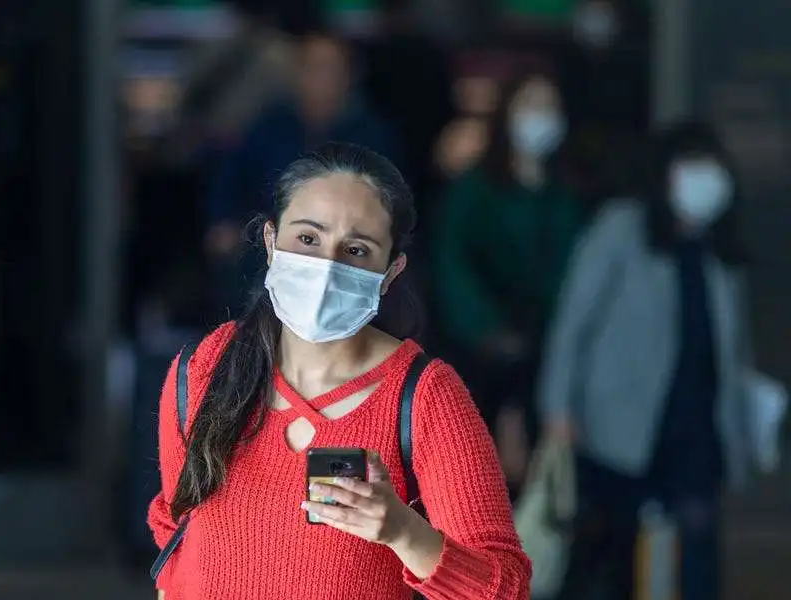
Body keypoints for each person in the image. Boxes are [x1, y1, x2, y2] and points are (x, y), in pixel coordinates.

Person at [148, 143, 532, 600]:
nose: (326, 267)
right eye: (307, 239)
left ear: (390, 273)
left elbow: (505, 587)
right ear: (271, 242)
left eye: (356, 250)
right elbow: (175, 537)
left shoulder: (425, 398)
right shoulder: (204, 370)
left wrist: (404, 532)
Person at [538, 122, 751, 600]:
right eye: (690, 165)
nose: (704, 180)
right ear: (665, 174)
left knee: (698, 554)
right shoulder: (622, 227)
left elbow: (733, 346)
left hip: (696, 424)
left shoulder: (719, 247)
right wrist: (557, 407)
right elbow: (574, 323)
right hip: (620, 424)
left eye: (712, 167)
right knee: (612, 554)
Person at [430, 68, 585, 487]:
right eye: (531, 105)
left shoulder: (570, 191)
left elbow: (576, 276)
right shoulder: (474, 188)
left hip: (551, 355)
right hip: (480, 355)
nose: (541, 117)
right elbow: (452, 265)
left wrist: (552, 329)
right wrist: (488, 330)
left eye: (550, 107)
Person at [203, 29, 399, 317]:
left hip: (340, 254)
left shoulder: (373, 134)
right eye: (308, 67)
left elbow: (390, 208)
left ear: (350, 75)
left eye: (327, 68)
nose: (316, 78)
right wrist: (222, 221)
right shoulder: (270, 124)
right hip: (267, 247)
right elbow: (231, 180)